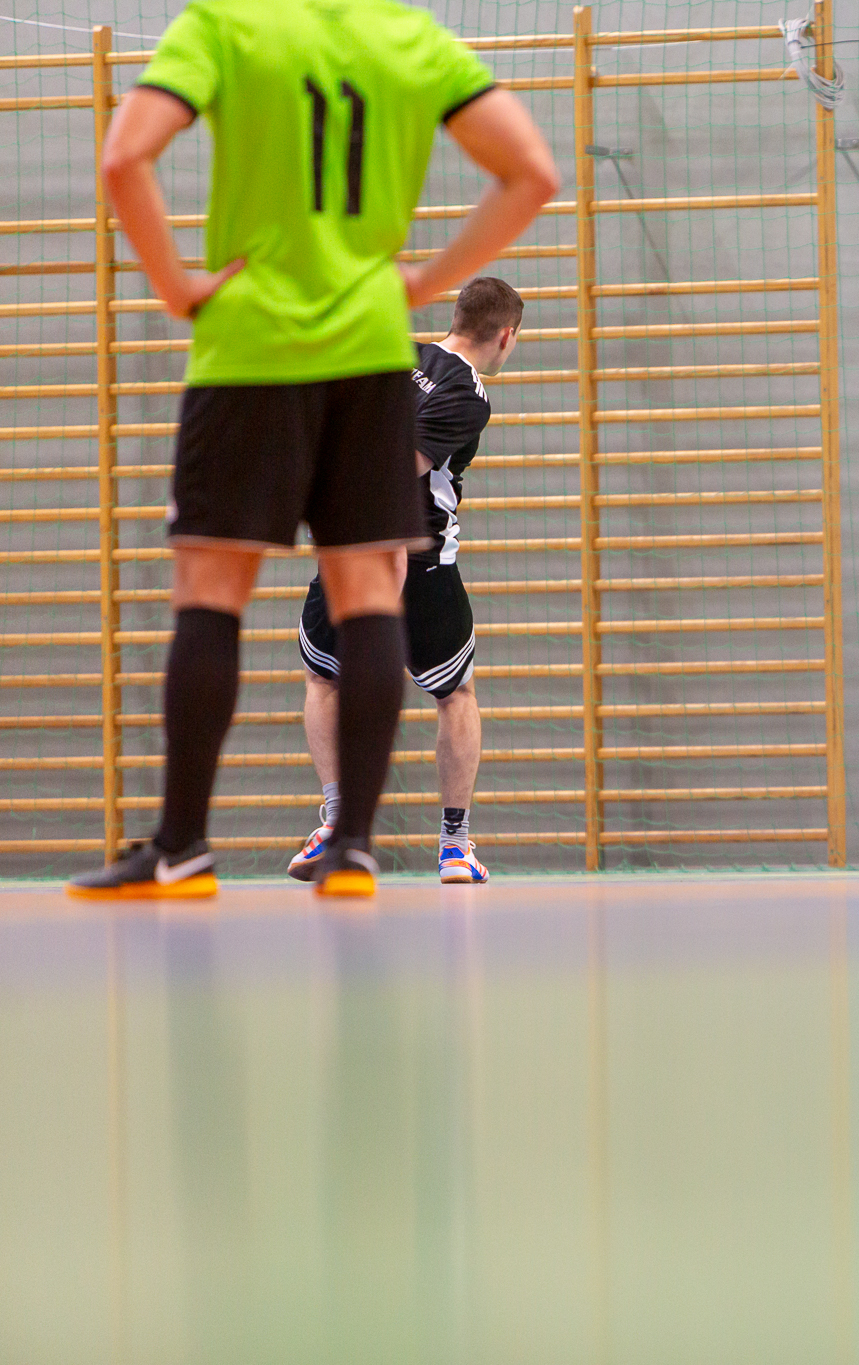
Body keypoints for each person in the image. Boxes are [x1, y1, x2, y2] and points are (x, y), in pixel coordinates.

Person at [67, 0, 558, 900]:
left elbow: (123, 156)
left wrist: (177, 285)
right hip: (366, 351)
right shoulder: (409, 38)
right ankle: (355, 849)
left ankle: (181, 847)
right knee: (367, 594)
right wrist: (425, 278)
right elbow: (532, 172)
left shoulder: (224, 26)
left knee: (210, 597)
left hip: (248, 346)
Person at [290, 277, 520, 886]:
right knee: (456, 696)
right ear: (505, 336)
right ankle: (455, 846)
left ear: (455, 316)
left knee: (324, 678)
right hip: (419, 561)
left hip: (351, 551)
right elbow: (394, 470)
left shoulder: (397, 355)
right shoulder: (468, 395)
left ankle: (336, 822)